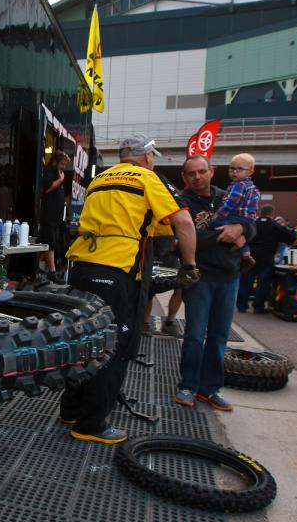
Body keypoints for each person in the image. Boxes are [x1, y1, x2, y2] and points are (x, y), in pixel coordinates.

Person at [59, 134, 198, 443]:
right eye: (153, 157)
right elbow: (183, 223)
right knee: (115, 345)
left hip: (80, 266)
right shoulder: (147, 178)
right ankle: (90, 425)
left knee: (82, 339)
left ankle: (70, 409)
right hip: (118, 271)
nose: (154, 161)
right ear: (146, 157)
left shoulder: (100, 179)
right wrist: (189, 266)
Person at [174, 156, 255, 412]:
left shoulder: (229, 194)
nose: (197, 177)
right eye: (192, 173)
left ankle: (210, 389)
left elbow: (252, 225)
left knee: (219, 337)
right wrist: (227, 235)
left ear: (211, 171)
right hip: (200, 277)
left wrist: (242, 229)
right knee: (195, 335)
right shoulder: (181, 202)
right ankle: (188, 386)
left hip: (229, 277)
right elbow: (183, 240)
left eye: (202, 171)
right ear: (184, 178)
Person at [237, 206, 296, 313]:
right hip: (266, 257)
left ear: (261, 212)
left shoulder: (252, 224)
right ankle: (258, 306)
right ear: (272, 213)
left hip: (250, 256)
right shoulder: (274, 226)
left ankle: (241, 305)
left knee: (246, 281)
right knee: (263, 283)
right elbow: (291, 238)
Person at [210, 152, 261, 271]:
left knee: (213, 225)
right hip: (246, 219)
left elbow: (231, 204)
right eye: (232, 168)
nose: (234, 172)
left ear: (250, 172)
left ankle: (238, 242)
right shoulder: (252, 187)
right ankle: (246, 254)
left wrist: (218, 215)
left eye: (239, 169)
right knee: (239, 234)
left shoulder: (240, 185)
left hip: (236, 216)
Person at [39, 151, 71, 282]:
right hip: (49, 214)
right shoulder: (50, 171)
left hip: (56, 216)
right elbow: (46, 188)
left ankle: (39, 267)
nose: (64, 167)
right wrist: (60, 180)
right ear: (55, 162)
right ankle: (52, 272)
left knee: (50, 242)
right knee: (49, 242)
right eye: (62, 164)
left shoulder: (58, 172)